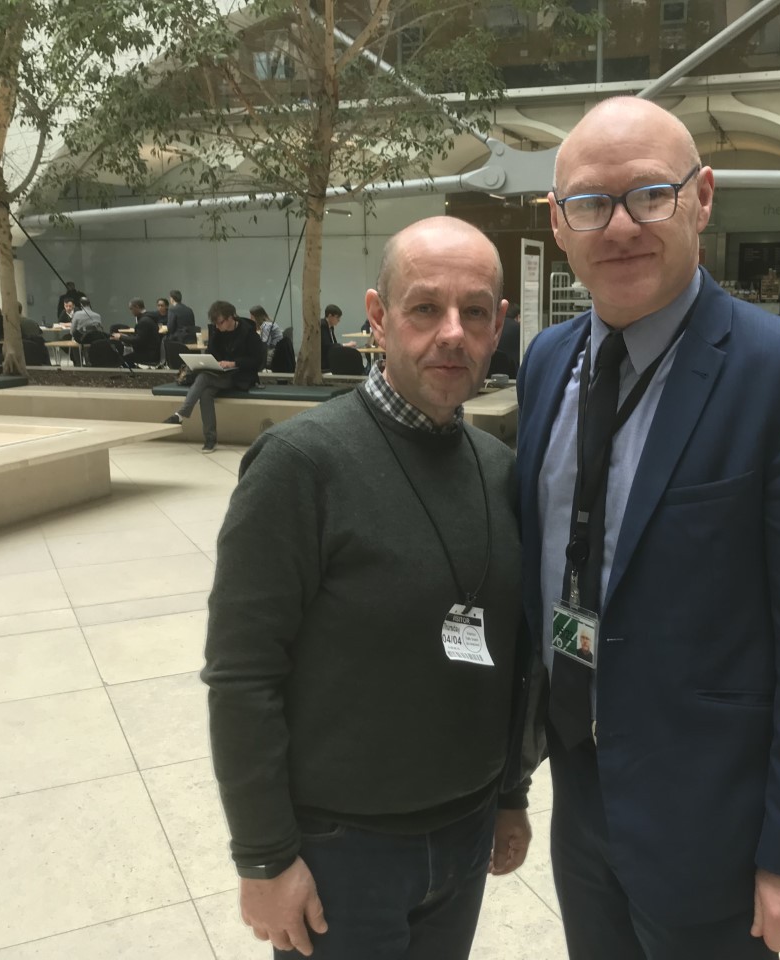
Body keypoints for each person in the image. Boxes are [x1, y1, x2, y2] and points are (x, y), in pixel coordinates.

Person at [517, 96, 780, 959]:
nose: (620, 228)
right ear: (559, 222)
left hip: (716, 827)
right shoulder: (544, 363)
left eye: (650, 194)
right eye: (590, 204)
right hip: (582, 798)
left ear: (703, 196)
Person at [202, 218, 533, 959]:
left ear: (498, 325)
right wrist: (264, 857)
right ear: (378, 317)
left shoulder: (500, 468)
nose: (452, 333)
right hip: (340, 853)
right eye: (425, 308)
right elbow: (242, 673)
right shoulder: (300, 465)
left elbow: (511, 654)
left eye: (474, 312)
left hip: (466, 833)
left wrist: (510, 794)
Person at [161, 301, 264, 452]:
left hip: (240, 377)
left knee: (203, 378)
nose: (217, 326)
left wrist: (233, 363)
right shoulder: (217, 332)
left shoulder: (248, 333)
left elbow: (256, 361)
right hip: (220, 374)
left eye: (220, 322)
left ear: (231, 318)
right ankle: (210, 439)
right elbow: (212, 353)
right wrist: (209, 362)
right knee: (205, 393)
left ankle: (181, 414)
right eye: (215, 323)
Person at [116, 298, 162, 366]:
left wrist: (120, 337)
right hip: (153, 352)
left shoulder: (144, 321)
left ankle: (133, 376)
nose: (131, 311)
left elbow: (138, 340)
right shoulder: (149, 318)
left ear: (137, 307)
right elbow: (141, 337)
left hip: (148, 355)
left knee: (122, 360)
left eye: (131, 308)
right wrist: (125, 337)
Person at [494, 302, 522, 377]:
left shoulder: (496, 325)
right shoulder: (518, 328)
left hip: (492, 369)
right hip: (512, 372)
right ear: (518, 316)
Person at [319, 303, 343, 370]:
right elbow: (327, 345)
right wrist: (344, 345)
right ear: (330, 316)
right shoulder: (322, 326)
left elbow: (333, 344)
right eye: (337, 317)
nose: (339, 320)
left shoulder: (330, 327)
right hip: (324, 361)